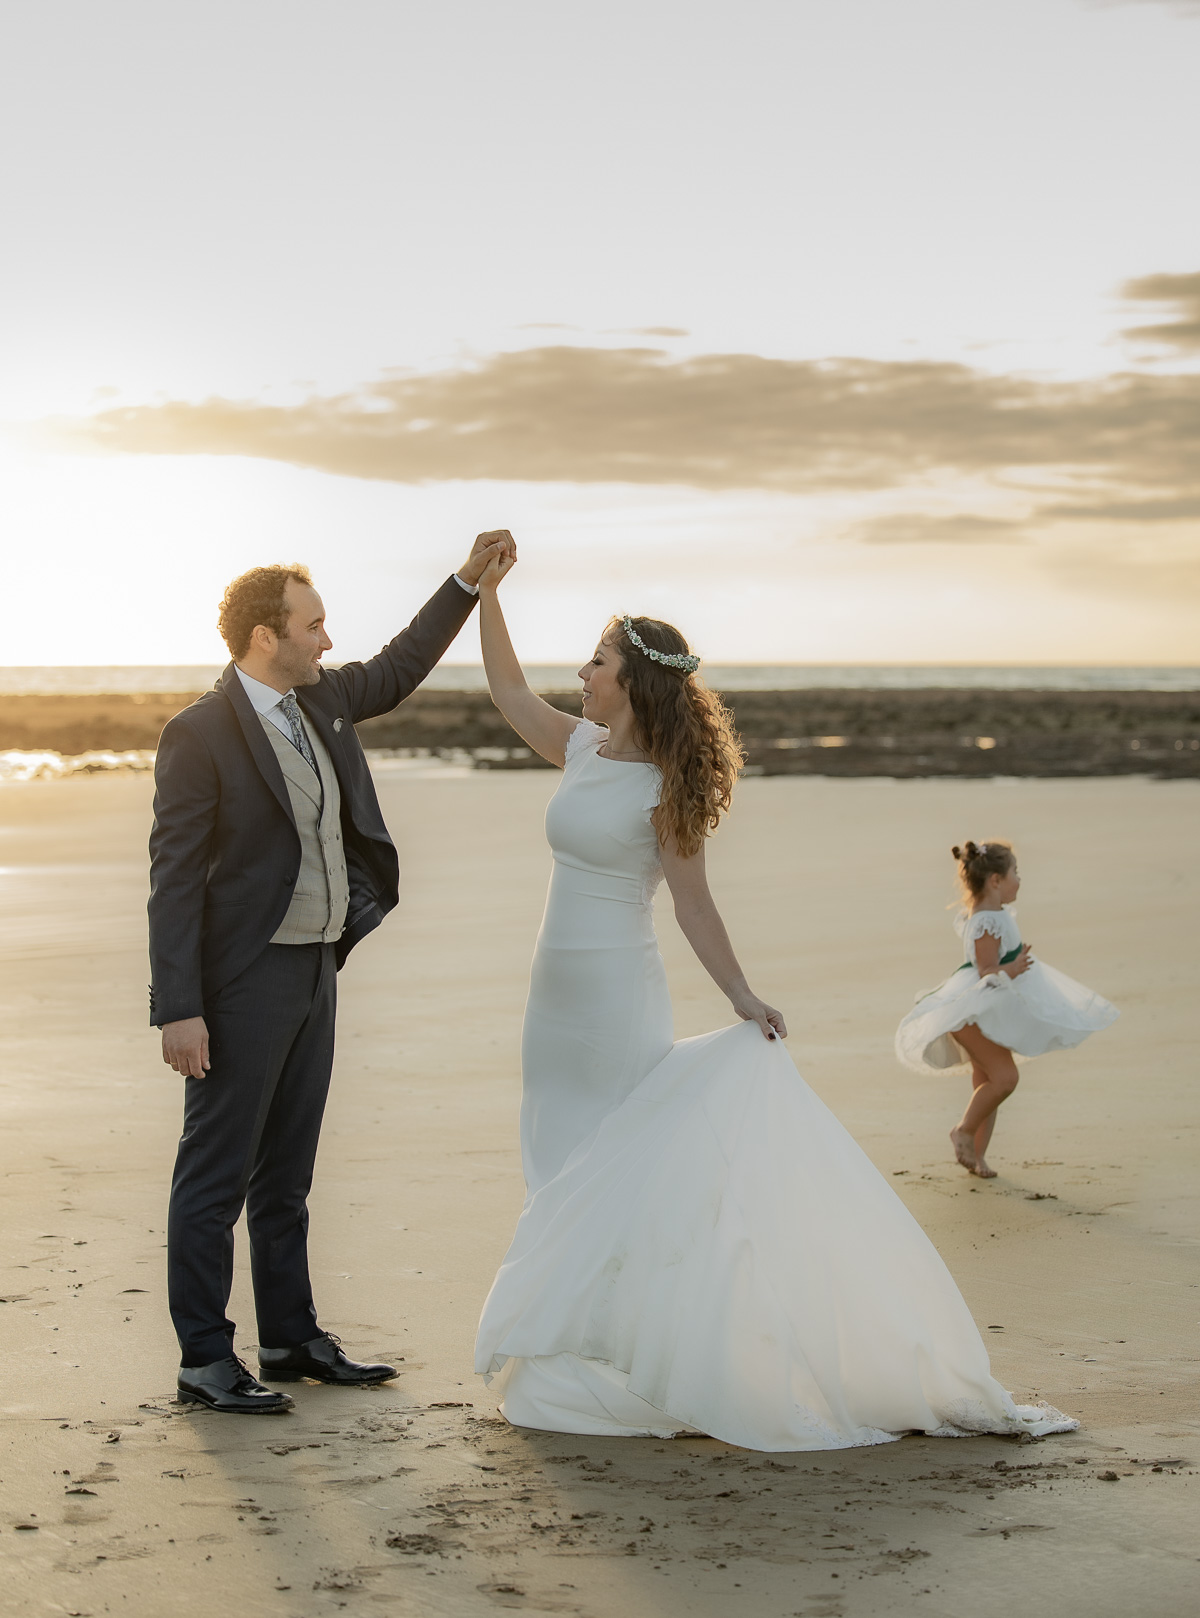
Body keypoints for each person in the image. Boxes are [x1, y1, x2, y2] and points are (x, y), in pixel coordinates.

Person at [471, 552, 1076, 1451]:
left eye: (598, 662)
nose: (584, 674)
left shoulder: (665, 789)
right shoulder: (580, 746)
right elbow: (506, 689)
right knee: (554, 1160)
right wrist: (486, 594)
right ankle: (580, 1341)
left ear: (632, 679)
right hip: (550, 994)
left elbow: (695, 906)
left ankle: (617, 1348)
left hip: (614, 996)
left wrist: (743, 995)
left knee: (612, 1164)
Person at [149, 532, 513, 1413]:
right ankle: (205, 1357)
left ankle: (289, 1337)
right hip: (239, 982)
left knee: (288, 1174)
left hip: (317, 965)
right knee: (216, 1176)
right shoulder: (198, 735)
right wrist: (179, 1009)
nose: (327, 640)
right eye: (312, 625)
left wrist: (466, 582)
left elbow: (401, 664)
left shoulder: (325, 701)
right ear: (265, 637)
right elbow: (172, 877)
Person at [895, 840, 1119, 1178]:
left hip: (985, 1011)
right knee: (1005, 1078)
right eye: (1016, 872)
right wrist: (1011, 970)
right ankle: (963, 1131)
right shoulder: (985, 920)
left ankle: (977, 1155)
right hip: (970, 1012)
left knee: (987, 1081)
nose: (1020, 879)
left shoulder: (996, 914)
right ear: (995, 880)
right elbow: (985, 970)